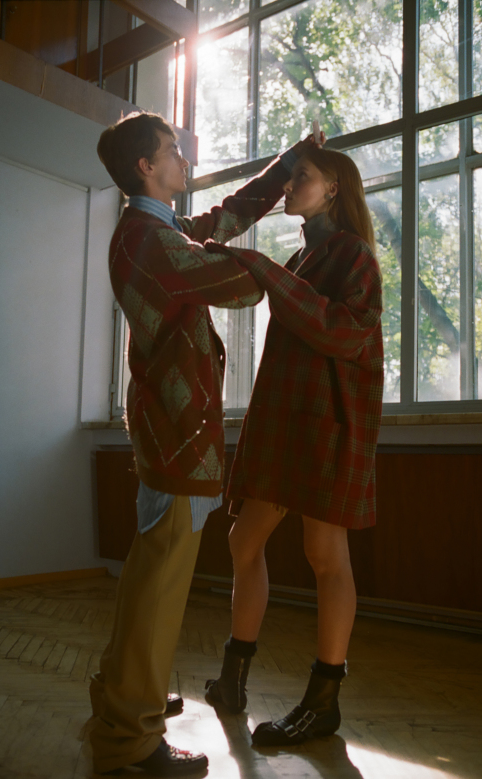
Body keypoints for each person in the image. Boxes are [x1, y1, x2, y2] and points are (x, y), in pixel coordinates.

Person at [89, 110, 320, 775]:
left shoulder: (151, 232)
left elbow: (224, 219)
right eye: (172, 150)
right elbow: (239, 286)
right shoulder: (150, 241)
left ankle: (120, 697)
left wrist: (287, 165)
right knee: (159, 591)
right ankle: (132, 739)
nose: (183, 158)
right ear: (146, 167)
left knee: (147, 580)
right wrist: (285, 268)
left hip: (169, 435)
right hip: (178, 439)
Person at [204, 144, 384, 747]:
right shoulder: (300, 256)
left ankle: (323, 701)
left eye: (300, 176)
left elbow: (342, 332)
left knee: (325, 553)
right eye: (288, 176)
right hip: (286, 422)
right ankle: (233, 680)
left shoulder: (353, 254)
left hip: (328, 423)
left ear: (334, 188)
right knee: (242, 539)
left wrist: (263, 268)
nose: (287, 185)